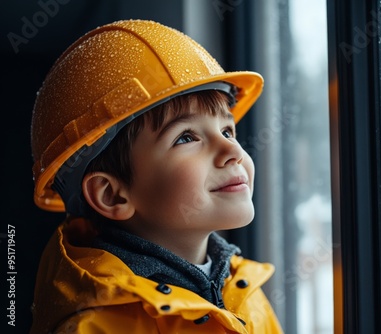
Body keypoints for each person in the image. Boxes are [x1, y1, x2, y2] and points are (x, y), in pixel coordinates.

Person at [29, 19, 283, 333]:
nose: (231, 150)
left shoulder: (246, 296)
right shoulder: (94, 327)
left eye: (227, 130)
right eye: (187, 137)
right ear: (112, 195)